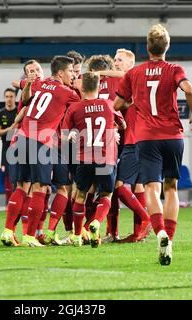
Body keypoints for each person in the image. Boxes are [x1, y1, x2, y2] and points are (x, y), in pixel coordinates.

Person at [114, 24, 192, 265]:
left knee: (151, 187)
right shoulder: (174, 69)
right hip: (172, 136)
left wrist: (133, 103)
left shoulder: (134, 74)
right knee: (171, 188)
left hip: (146, 137)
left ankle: (160, 231)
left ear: (147, 48)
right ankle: (169, 239)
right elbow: (190, 91)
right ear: (167, 47)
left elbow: (116, 105)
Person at [2, 55, 80, 247]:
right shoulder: (66, 92)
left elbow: (25, 98)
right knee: (41, 188)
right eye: (70, 71)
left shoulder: (39, 84)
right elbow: (81, 103)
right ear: (61, 72)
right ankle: (30, 236)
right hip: (41, 141)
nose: (72, 74)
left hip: (22, 138)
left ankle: (7, 231)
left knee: (21, 186)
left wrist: (25, 84)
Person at [61, 72, 125, 247]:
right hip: (106, 157)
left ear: (82, 87)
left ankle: (76, 236)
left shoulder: (74, 108)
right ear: (98, 86)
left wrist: (75, 133)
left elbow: (64, 135)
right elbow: (123, 125)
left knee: (80, 195)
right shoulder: (109, 105)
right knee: (107, 194)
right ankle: (96, 222)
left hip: (84, 158)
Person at [0, 88, 17, 204]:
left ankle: (19, 203)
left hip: (19, 148)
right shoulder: (0, 113)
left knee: (19, 177)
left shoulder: (19, 111)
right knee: (7, 177)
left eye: (11, 97)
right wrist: (11, 128)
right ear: (4, 98)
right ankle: (9, 204)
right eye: (7, 97)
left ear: (15, 98)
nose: (9, 99)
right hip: (6, 149)